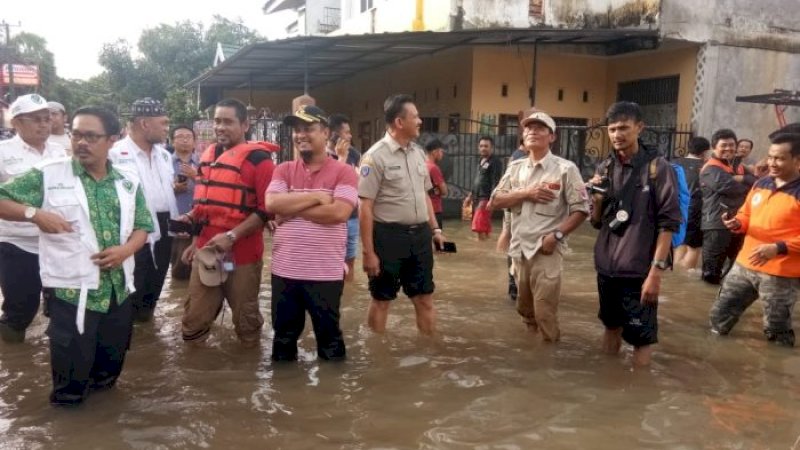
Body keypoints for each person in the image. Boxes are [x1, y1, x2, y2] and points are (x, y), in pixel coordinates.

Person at [0, 106, 153, 406]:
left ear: (112, 139)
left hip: (117, 293)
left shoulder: (127, 181)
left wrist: (125, 250)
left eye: (91, 136)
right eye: (77, 134)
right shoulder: (50, 173)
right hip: (71, 294)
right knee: (69, 385)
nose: (81, 142)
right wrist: (35, 214)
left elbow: (143, 227)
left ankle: (103, 428)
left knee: (108, 375)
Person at [588, 101, 681, 367]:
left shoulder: (658, 169)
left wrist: (655, 274)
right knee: (610, 326)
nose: (618, 134)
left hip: (639, 270)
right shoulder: (604, 167)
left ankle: (639, 394)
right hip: (607, 267)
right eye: (613, 129)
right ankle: (608, 380)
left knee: (641, 338)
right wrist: (596, 200)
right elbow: (597, 223)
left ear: (639, 128)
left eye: (624, 128)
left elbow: (669, 224)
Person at [179, 98, 275, 348]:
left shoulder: (260, 161)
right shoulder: (207, 156)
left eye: (228, 122)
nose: (220, 127)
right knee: (193, 320)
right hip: (206, 252)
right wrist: (192, 237)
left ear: (245, 125)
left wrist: (231, 236)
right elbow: (203, 203)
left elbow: (267, 211)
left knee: (246, 321)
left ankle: (248, 375)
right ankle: (194, 377)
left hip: (241, 256)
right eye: (217, 121)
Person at [265, 105, 358, 361]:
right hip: (284, 272)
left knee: (329, 340)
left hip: (325, 273)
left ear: (325, 132)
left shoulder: (344, 171)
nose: (300, 135)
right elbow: (272, 205)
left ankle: (331, 398)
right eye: (297, 129)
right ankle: (284, 396)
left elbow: (339, 213)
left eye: (308, 128)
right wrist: (317, 197)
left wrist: (291, 208)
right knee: (283, 339)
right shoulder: (283, 169)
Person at [490, 111, 588, 341]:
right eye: (528, 128)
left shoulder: (566, 169)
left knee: (544, 311)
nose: (533, 131)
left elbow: (582, 209)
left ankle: (548, 357)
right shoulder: (515, 168)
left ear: (552, 137)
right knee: (525, 310)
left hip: (547, 250)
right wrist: (527, 193)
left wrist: (556, 235)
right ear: (523, 136)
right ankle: (533, 353)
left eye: (540, 128)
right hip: (519, 249)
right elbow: (495, 201)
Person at [358, 94, 446, 336]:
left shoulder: (418, 153)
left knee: (425, 298)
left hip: (420, 238)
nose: (420, 121)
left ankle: (429, 353)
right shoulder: (375, 156)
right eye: (415, 116)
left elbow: (425, 195)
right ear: (399, 122)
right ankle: (377, 356)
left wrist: (436, 230)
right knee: (382, 299)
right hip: (388, 238)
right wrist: (368, 253)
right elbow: (364, 206)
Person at [709, 131, 800, 346]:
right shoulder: (762, 183)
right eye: (770, 157)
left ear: (797, 160)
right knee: (718, 317)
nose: (772, 163)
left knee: (777, 331)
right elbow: (747, 212)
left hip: (780, 274)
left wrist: (778, 248)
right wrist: (738, 223)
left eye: (779, 158)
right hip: (744, 265)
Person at [0, 94, 67, 343]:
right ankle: (12, 357)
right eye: (36, 119)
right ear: (16, 122)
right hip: (18, 244)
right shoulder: (3, 152)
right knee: (20, 311)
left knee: (62, 308)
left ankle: (56, 359)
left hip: (58, 244)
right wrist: (34, 215)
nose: (44, 125)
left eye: (47, 119)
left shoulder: (59, 151)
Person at [109, 98, 179, 322]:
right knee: (133, 282)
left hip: (165, 225)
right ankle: (127, 332)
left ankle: (146, 330)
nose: (167, 128)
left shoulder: (165, 155)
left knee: (156, 282)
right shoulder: (115, 154)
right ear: (144, 124)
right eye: (164, 123)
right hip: (131, 229)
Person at [699, 129, 755, 285]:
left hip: (737, 223)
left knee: (736, 269)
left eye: (731, 145)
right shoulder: (711, 168)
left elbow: (756, 180)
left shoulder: (735, 167)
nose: (728, 149)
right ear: (714, 147)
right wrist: (747, 183)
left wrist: (742, 178)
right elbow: (731, 188)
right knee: (711, 274)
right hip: (716, 225)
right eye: (724, 145)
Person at [328, 113, 361, 282]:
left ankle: (349, 293)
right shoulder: (323, 157)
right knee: (332, 262)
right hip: (331, 218)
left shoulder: (354, 154)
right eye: (346, 132)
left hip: (353, 216)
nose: (350, 136)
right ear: (333, 135)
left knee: (350, 260)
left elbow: (360, 181)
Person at [496, 138, 529, 302]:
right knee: (515, 251)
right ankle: (515, 287)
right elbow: (505, 195)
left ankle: (515, 288)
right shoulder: (519, 158)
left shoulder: (520, 156)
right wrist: (507, 228)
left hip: (521, 216)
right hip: (516, 216)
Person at [674, 136, 710, 271]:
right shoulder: (706, 167)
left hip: (675, 210)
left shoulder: (674, 163)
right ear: (705, 152)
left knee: (680, 244)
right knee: (694, 247)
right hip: (696, 210)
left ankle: (675, 276)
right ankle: (684, 277)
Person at [169, 125, 199, 280]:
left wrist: (196, 177)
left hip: (199, 221)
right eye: (180, 136)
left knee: (203, 268)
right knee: (178, 267)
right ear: (172, 141)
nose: (185, 140)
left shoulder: (203, 163)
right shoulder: (164, 163)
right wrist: (173, 189)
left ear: (194, 142)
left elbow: (213, 189)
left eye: (189, 136)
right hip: (175, 222)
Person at [463, 136, 503, 240]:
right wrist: (469, 197)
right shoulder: (481, 160)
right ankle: (486, 246)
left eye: (486, 146)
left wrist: (492, 199)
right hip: (478, 196)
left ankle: (478, 251)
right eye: (481, 146)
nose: (483, 148)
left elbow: (496, 181)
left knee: (478, 226)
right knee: (484, 227)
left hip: (486, 198)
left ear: (492, 147)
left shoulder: (495, 161)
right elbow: (478, 180)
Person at [424, 138, 447, 229]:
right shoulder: (433, 168)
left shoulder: (422, 164)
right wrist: (437, 190)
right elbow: (444, 191)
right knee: (437, 239)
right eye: (441, 151)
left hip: (423, 210)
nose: (442, 154)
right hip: (435, 210)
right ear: (434, 152)